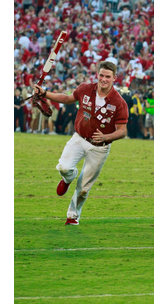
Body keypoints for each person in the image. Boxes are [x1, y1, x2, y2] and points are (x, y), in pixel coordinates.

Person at [32, 61, 128, 225]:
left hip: (100, 148)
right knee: (63, 167)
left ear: (114, 78)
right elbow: (68, 98)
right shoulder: (85, 89)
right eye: (102, 75)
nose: (104, 79)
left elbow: (122, 131)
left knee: (84, 188)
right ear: (97, 74)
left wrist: (106, 138)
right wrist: (45, 94)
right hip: (79, 138)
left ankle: (72, 216)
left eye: (108, 76)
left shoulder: (119, 102)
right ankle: (68, 178)